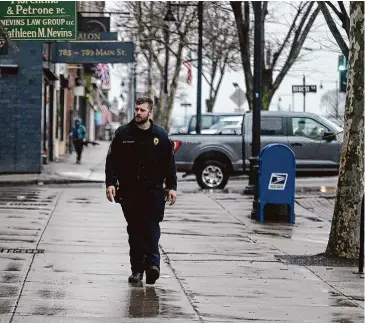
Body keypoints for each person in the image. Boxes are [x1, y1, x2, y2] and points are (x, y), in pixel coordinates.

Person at [105, 96, 177, 285]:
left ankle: (153, 266)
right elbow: (111, 161)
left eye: (142, 110)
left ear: (149, 112)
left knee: (152, 229)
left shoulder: (160, 136)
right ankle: (137, 270)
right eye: (136, 109)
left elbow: (170, 164)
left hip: (153, 192)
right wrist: (110, 183)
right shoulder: (123, 134)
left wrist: (171, 187)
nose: (138, 113)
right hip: (130, 192)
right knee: (135, 231)